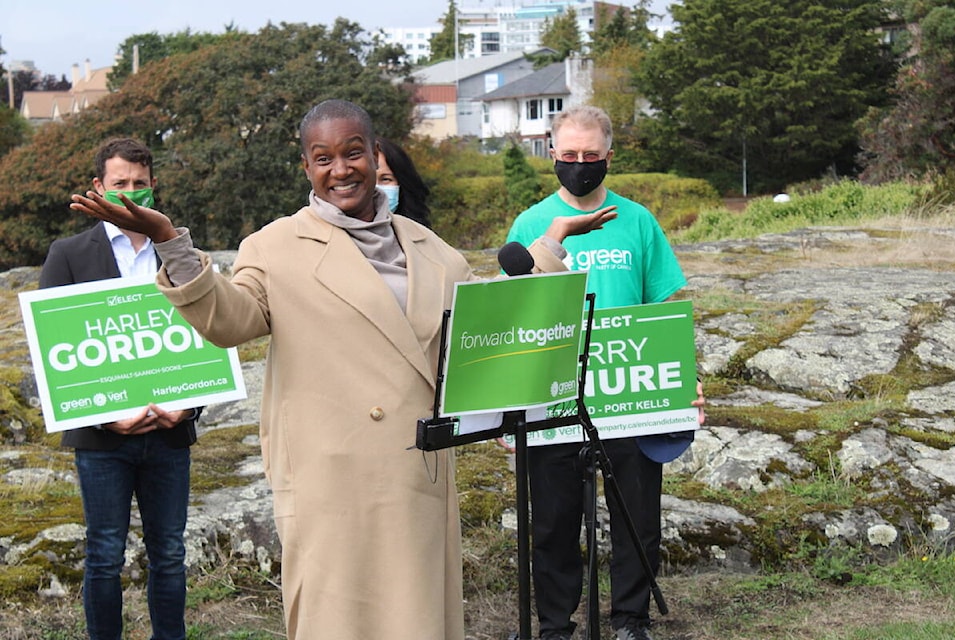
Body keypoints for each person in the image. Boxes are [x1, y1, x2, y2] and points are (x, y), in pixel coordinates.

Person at [67, 99, 616, 640]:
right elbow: (227, 321)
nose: (340, 169)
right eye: (322, 157)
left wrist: (549, 246)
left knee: (414, 621)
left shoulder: (433, 251)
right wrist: (170, 242)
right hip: (328, 484)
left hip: (416, 478)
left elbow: (488, 327)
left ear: (374, 154)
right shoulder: (275, 246)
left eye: (352, 153)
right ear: (306, 166)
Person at [506, 105, 706, 640]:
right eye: (568, 156)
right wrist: (511, 407)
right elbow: (515, 319)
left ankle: (630, 620)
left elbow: (665, 308)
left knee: (636, 516)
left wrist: (683, 380)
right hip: (555, 393)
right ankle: (553, 625)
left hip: (630, 391)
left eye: (590, 156)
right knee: (551, 521)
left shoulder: (638, 221)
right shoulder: (531, 225)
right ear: (552, 155)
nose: (579, 164)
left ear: (609, 156)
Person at [39, 137, 202, 640]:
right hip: (103, 440)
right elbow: (55, 352)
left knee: (170, 553)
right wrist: (105, 418)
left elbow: (206, 332)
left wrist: (188, 409)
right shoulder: (67, 255)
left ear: (153, 186)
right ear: (98, 188)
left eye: (140, 184)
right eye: (119, 184)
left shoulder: (179, 250)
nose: (131, 192)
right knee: (104, 553)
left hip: (169, 435)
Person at [375, 136, 432, 228]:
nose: (376, 189)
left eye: (386, 179)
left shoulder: (425, 237)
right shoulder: (344, 239)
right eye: (369, 180)